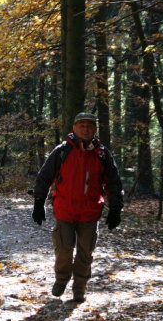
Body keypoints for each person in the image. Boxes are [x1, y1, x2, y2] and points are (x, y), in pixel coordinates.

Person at [32, 112, 123, 303]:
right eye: (82, 125)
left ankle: (80, 287)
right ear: (74, 128)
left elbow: (113, 183)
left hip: (90, 212)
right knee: (63, 249)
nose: (86, 129)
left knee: (85, 252)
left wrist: (116, 208)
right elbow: (45, 176)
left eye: (89, 126)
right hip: (65, 209)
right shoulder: (62, 151)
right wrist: (39, 202)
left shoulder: (102, 154)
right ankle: (61, 279)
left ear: (95, 130)